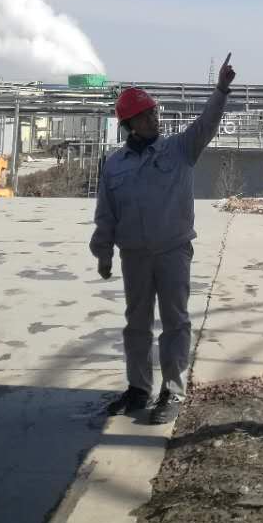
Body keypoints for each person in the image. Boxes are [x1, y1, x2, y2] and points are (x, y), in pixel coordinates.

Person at [91, 55, 236, 423]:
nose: (153, 119)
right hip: (134, 255)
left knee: (175, 322)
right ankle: (139, 388)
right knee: (136, 324)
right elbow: (106, 212)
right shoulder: (115, 165)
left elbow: (206, 124)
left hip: (172, 250)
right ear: (129, 125)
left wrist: (221, 89)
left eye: (154, 113)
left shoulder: (179, 149)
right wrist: (103, 252)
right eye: (145, 116)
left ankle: (172, 390)